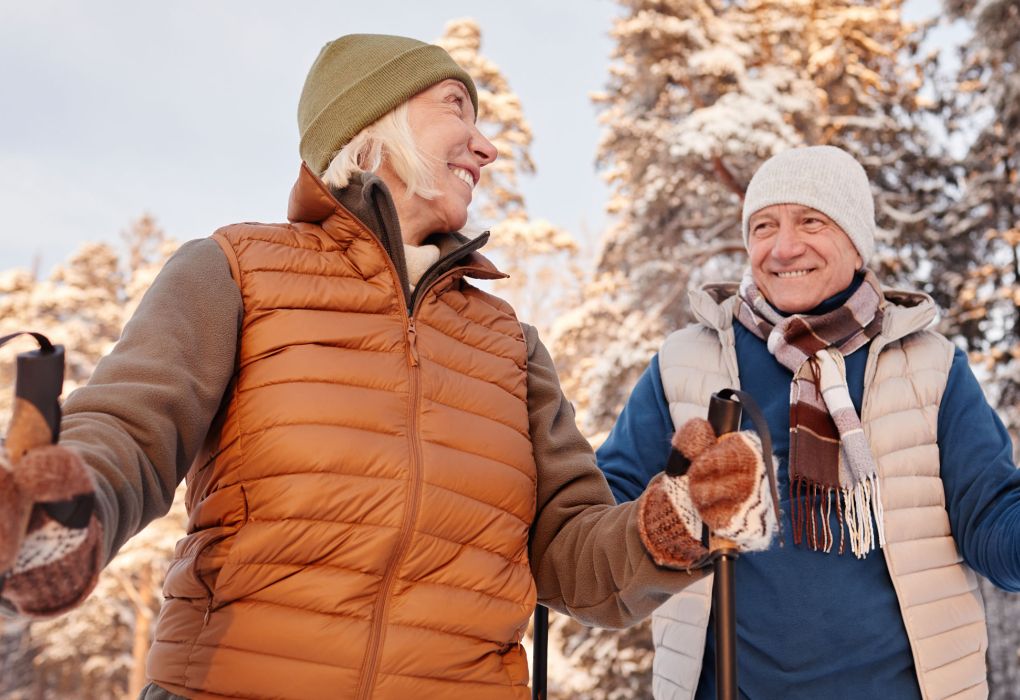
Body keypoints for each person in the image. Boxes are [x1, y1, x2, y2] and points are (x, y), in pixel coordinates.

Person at [0, 33, 755, 700]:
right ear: (372, 124)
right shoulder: (236, 271)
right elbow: (129, 429)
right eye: (457, 107)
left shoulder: (507, 343)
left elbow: (569, 555)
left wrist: (673, 523)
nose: (487, 145)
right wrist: (65, 512)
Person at [597, 144, 1020, 699]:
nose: (784, 247)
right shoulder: (688, 365)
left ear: (855, 241)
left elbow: (993, 521)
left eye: (811, 221)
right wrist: (674, 509)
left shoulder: (927, 366)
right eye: (764, 226)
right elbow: (600, 532)